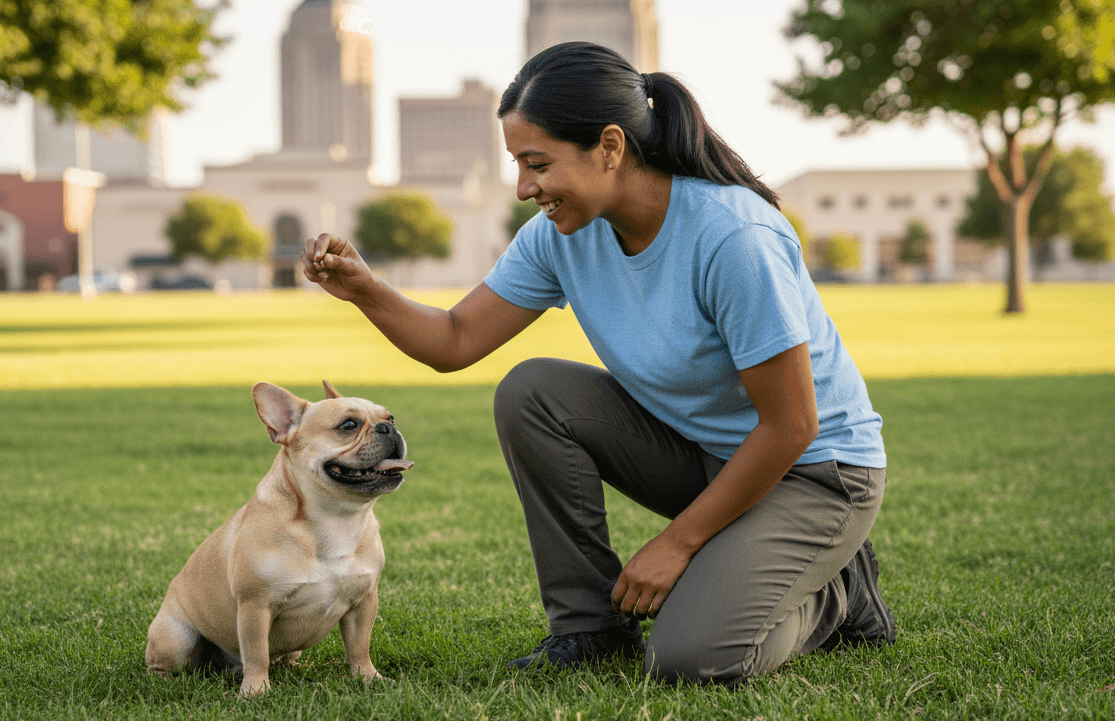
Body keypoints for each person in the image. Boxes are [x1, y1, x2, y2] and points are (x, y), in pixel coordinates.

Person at [299, 41, 893, 686]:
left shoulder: (734, 238)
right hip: (707, 454)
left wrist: (678, 544)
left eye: (537, 163)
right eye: (519, 166)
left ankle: (841, 596)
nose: (526, 187)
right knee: (534, 391)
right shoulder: (560, 237)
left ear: (610, 147)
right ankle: (589, 629)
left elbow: (792, 426)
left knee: (691, 658)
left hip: (816, 473)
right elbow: (454, 340)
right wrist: (364, 289)